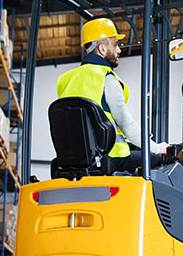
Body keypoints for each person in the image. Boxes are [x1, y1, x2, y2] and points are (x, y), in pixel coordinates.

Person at [56, 17, 169, 173]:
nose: (119, 50)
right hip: (112, 157)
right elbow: (126, 124)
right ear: (102, 49)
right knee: (161, 160)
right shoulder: (106, 78)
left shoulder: (64, 79)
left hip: (76, 160)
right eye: (116, 45)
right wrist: (157, 148)